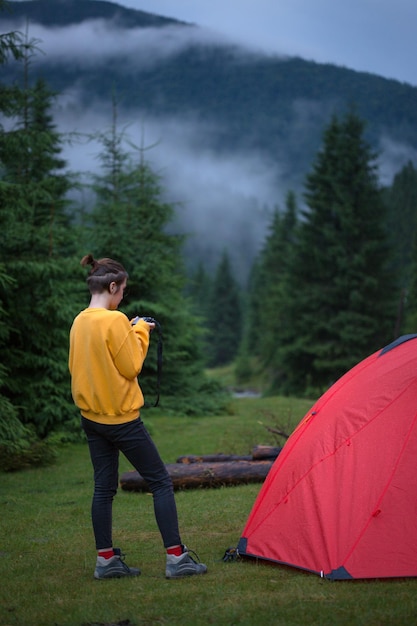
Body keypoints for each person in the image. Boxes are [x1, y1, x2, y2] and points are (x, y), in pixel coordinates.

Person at [68, 254, 207, 580]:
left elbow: (83, 365)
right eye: (123, 291)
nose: (122, 298)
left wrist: (127, 332)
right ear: (112, 286)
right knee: (160, 481)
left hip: (91, 418)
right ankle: (177, 558)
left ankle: (106, 561)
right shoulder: (116, 321)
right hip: (122, 420)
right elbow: (131, 366)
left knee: (103, 488)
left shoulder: (80, 320)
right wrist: (141, 330)